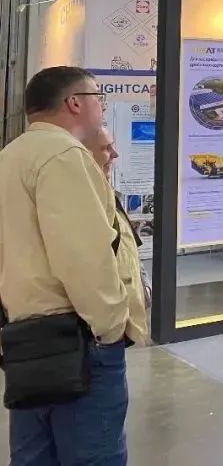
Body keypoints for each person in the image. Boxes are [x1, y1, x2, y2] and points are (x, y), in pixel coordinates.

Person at [0, 66, 147, 466]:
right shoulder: (64, 155)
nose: (102, 106)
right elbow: (84, 258)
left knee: (34, 456)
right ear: (75, 103)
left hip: (26, 340)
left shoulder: (10, 157)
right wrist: (110, 327)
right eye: (99, 97)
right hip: (78, 341)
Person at [90, 126, 152, 311]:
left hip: (128, 309)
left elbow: (130, 249)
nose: (115, 154)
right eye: (106, 148)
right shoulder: (84, 203)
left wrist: (144, 289)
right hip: (109, 313)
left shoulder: (110, 195)